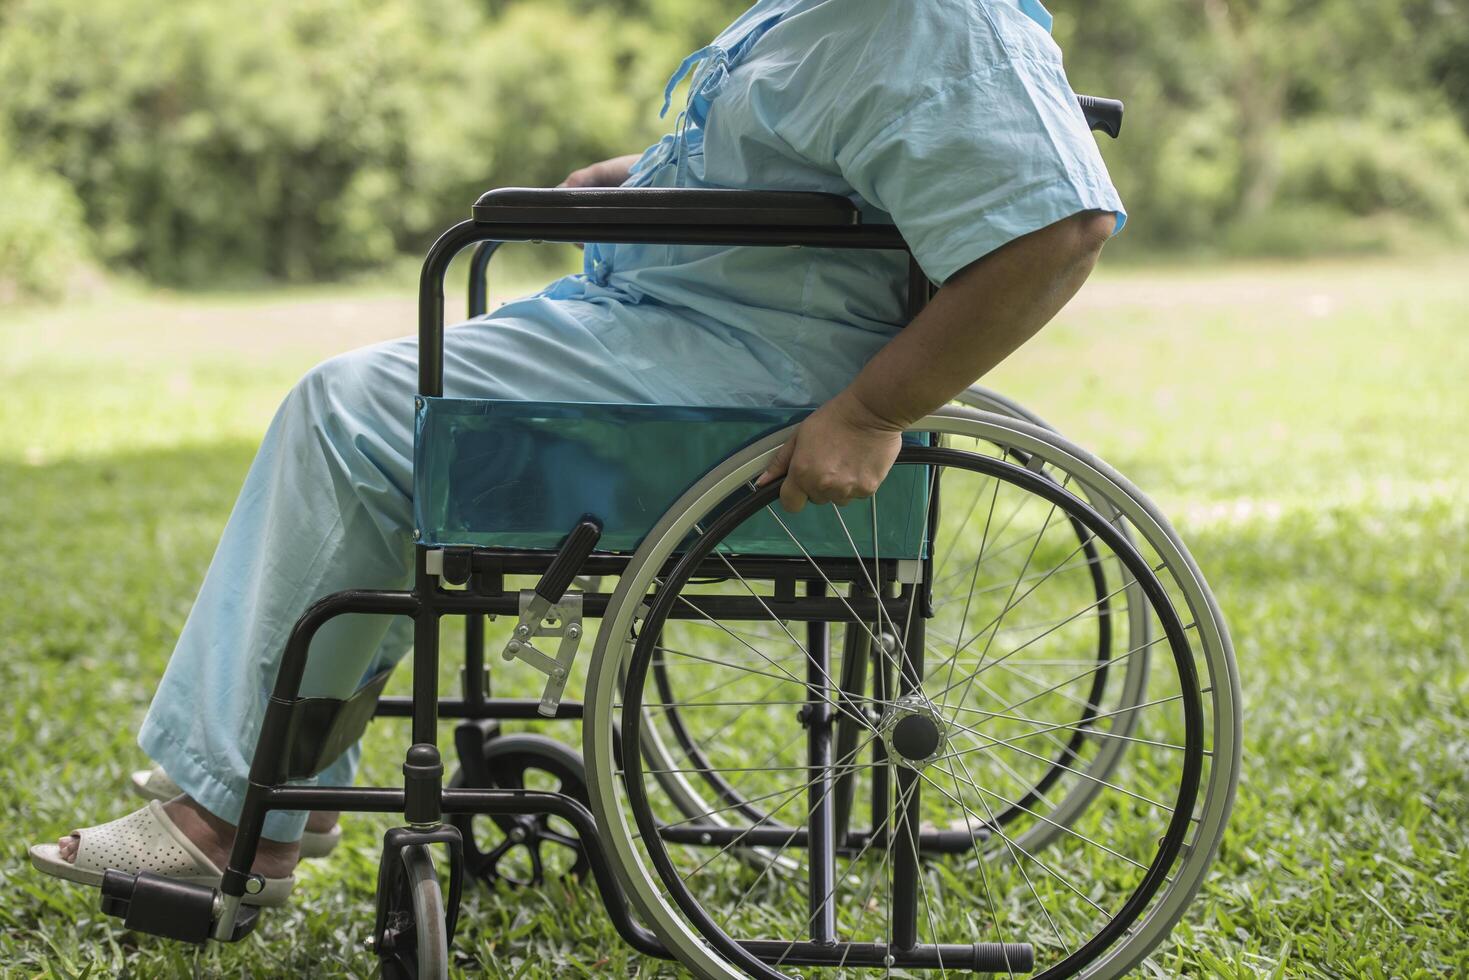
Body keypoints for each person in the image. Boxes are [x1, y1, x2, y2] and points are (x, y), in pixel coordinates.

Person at [30, 0, 1123, 904]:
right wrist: (641, 187)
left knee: (352, 411)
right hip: (680, 336)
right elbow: (805, 175)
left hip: (740, 384)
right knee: (367, 402)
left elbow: (1057, 226)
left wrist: (874, 411)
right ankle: (270, 767)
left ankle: (236, 815)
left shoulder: (930, 16)